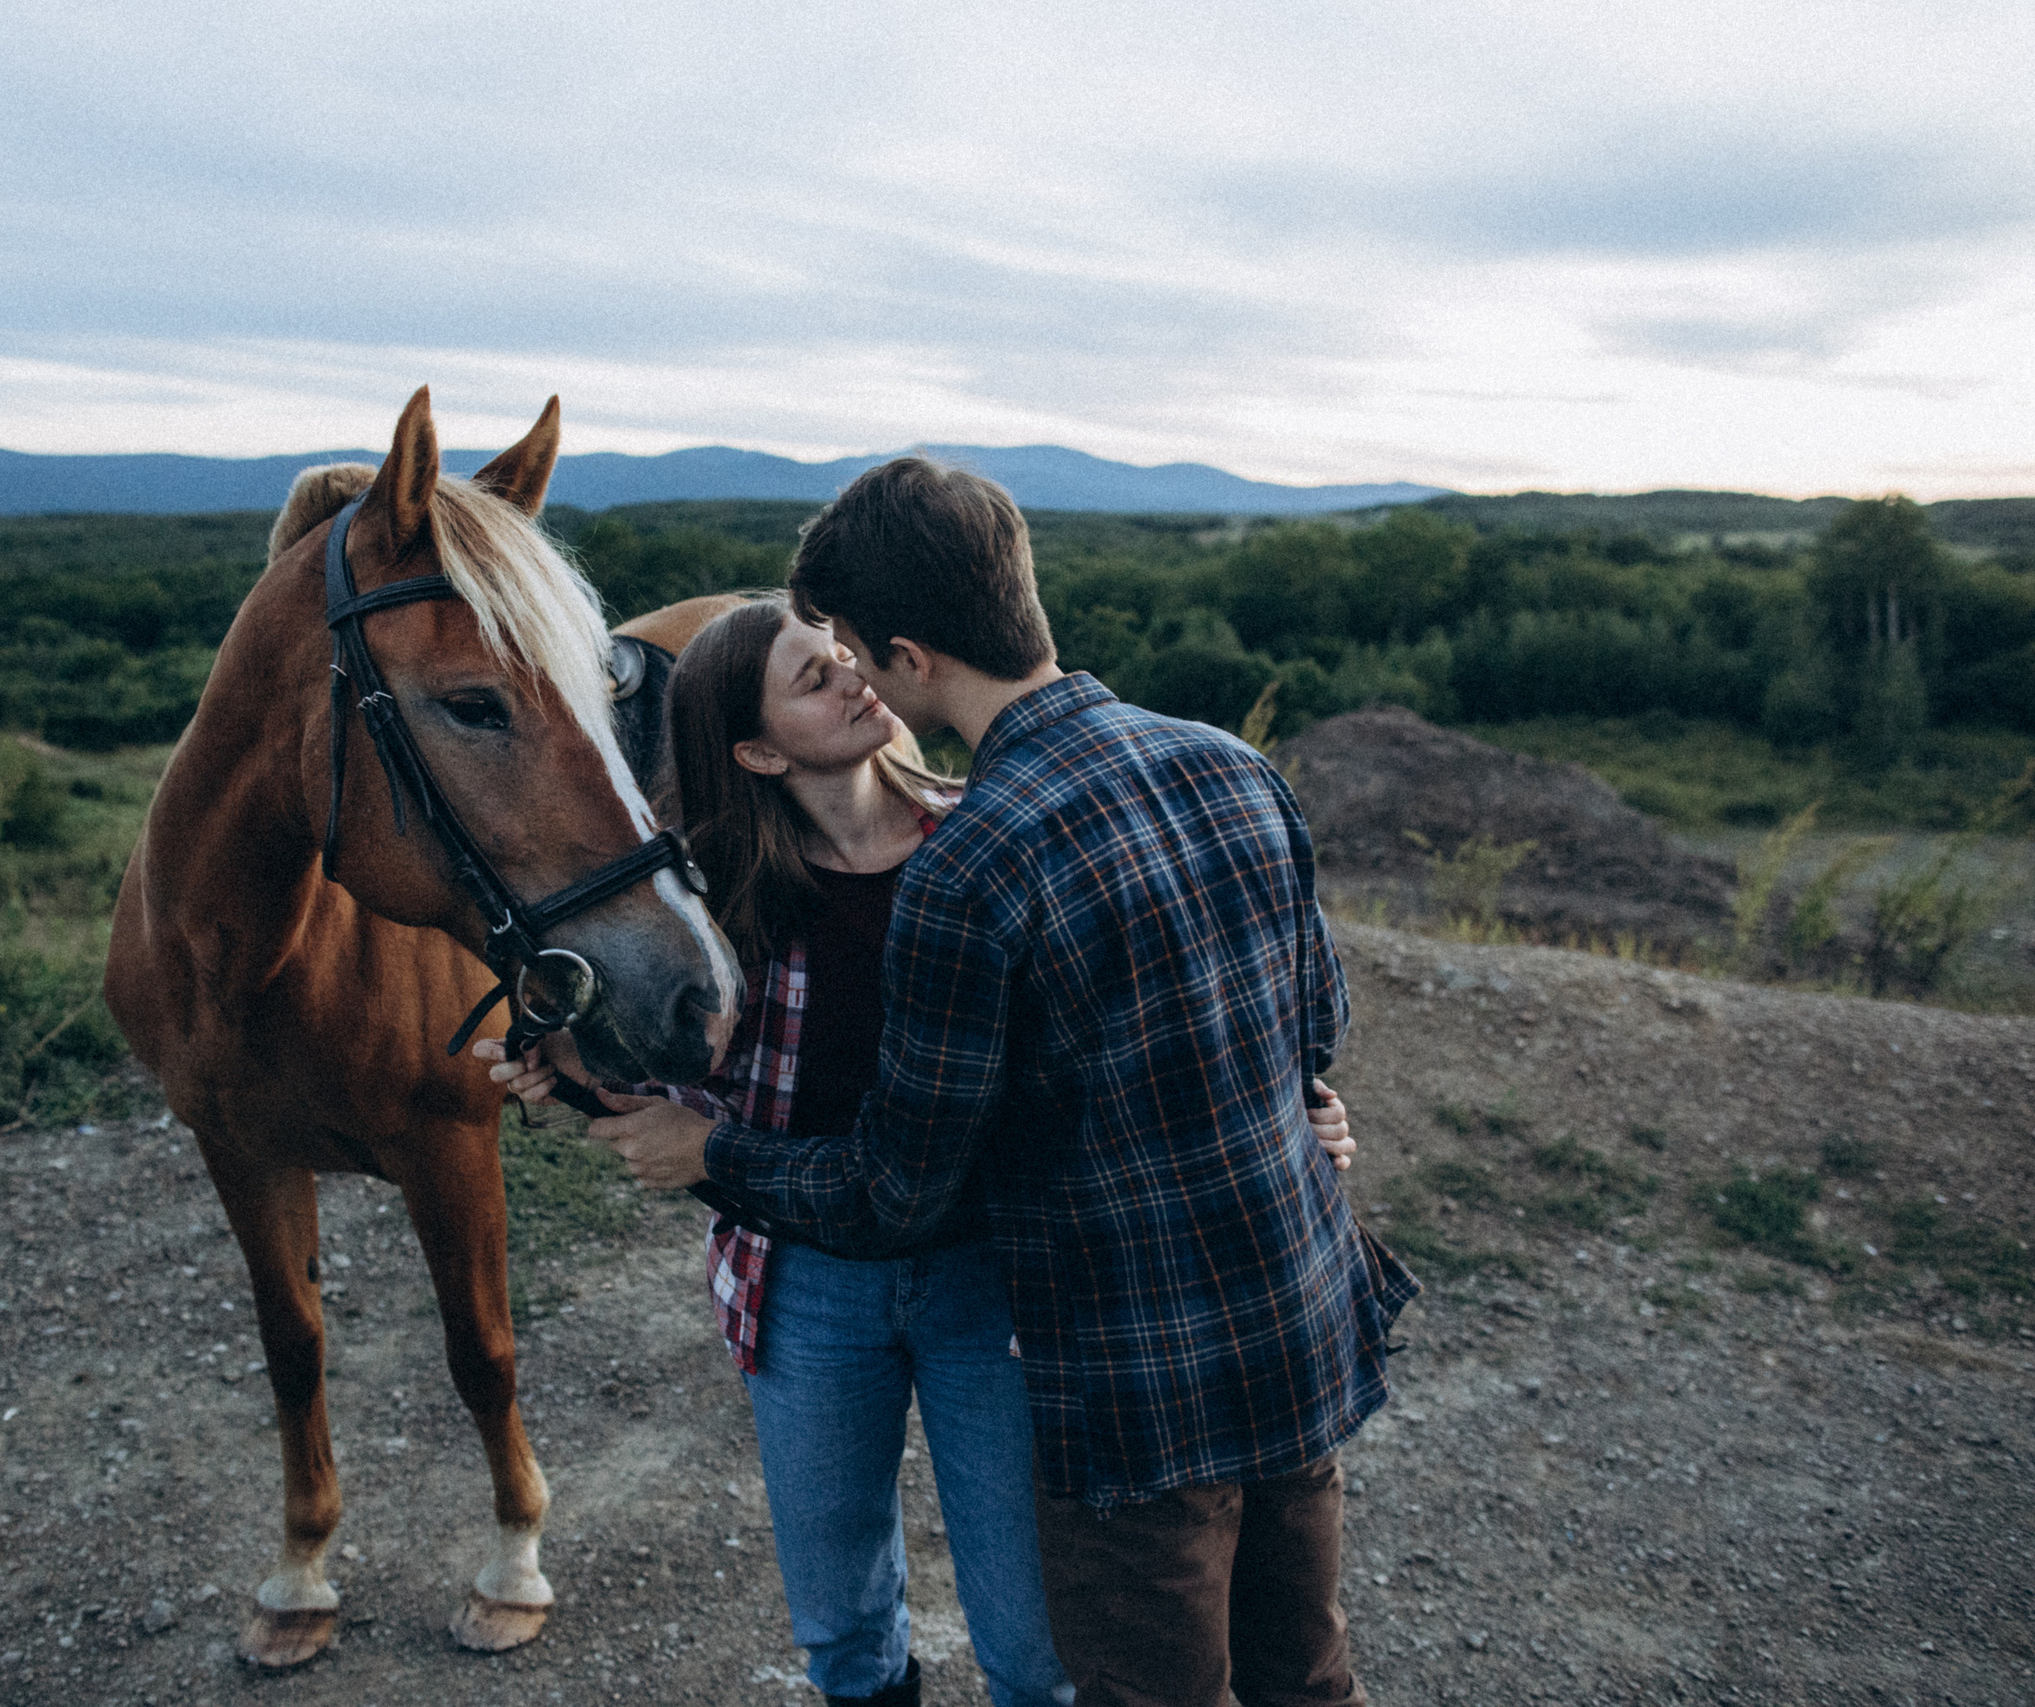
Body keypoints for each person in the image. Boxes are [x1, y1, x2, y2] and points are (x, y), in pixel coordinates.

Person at [585, 460, 1418, 1707]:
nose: (856, 678)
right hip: (1294, 1322)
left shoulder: (967, 864)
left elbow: (896, 1192)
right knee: (1307, 1678)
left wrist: (709, 1154)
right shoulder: (1230, 763)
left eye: (855, 652)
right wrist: (1289, 1120)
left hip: (1135, 1372)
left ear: (911, 658)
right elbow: (1311, 1034)